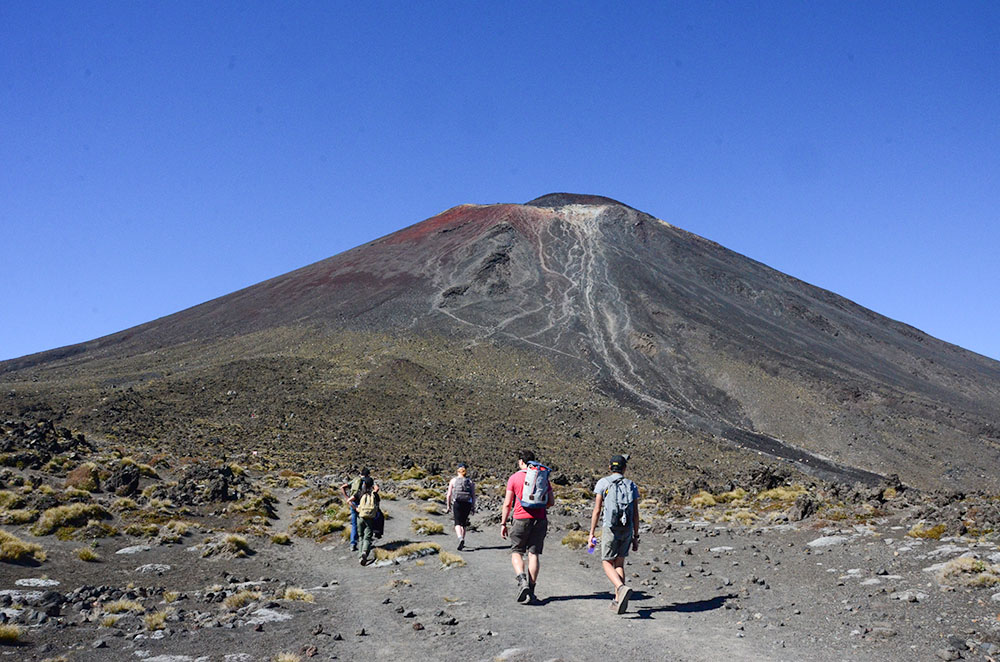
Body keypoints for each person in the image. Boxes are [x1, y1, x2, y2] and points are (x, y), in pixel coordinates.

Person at [587, 454, 641, 614]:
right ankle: (618, 600)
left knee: (606, 561)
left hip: (610, 528)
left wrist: (591, 533)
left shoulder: (603, 483)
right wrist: (635, 536)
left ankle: (620, 588)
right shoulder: (631, 485)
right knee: (619, 563)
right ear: (625, 468)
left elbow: (597, 510)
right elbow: (636, 514)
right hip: (627, 528)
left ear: (610, 467)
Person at [500, 449, 554, 603]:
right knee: (533, 554)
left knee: (517, 551)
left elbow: (507, 504)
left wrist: (503, 523)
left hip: (520, 519)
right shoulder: (542, 477)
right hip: (540, 519)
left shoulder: (514, 478)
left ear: (521, 462)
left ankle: (522, 581)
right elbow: (551, 502)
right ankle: (531, 588)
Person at [348, 475, 380, 565]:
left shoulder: (360, 493)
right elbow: (377, 505)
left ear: (364, 484)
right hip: (370, 518)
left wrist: (356, 508)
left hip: (360, 517)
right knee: (368, 537)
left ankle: (360, 557)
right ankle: (365, 552)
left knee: (361, 536)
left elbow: (349, 501)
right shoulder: (374, 494)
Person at [445, 462, 476, 550]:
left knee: (457, 523)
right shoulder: (470, 481)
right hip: (467, 503)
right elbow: (473, 496)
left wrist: (448, 506)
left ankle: (460, 538)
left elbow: (449, 495)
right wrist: (473, 507)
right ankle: (463, 539)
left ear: (457, 471)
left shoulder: (453, 480)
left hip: (457, 502)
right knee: (464, 523)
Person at [340, 467, 370, 552]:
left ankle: (353, 544)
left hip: (352, 502)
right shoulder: (366, 481)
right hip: (362, 504)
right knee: (364, 523)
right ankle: (364, 544)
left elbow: (342, 487)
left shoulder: (355, 480)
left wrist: (347, 498)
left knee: (354, 524)